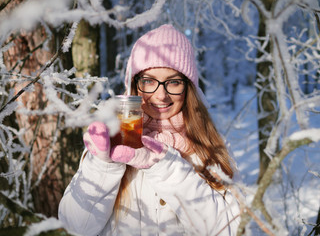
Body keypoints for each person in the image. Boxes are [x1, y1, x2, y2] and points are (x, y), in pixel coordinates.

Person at [58, 24, 240, 236]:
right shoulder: (114, 141)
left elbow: (232, 229)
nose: (161, 95)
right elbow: (75, 226)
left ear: (188, 87)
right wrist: (102, 165)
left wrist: (166, 166)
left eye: (173, 82)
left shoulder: (209, 148)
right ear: (133, 85)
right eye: (148, 81)